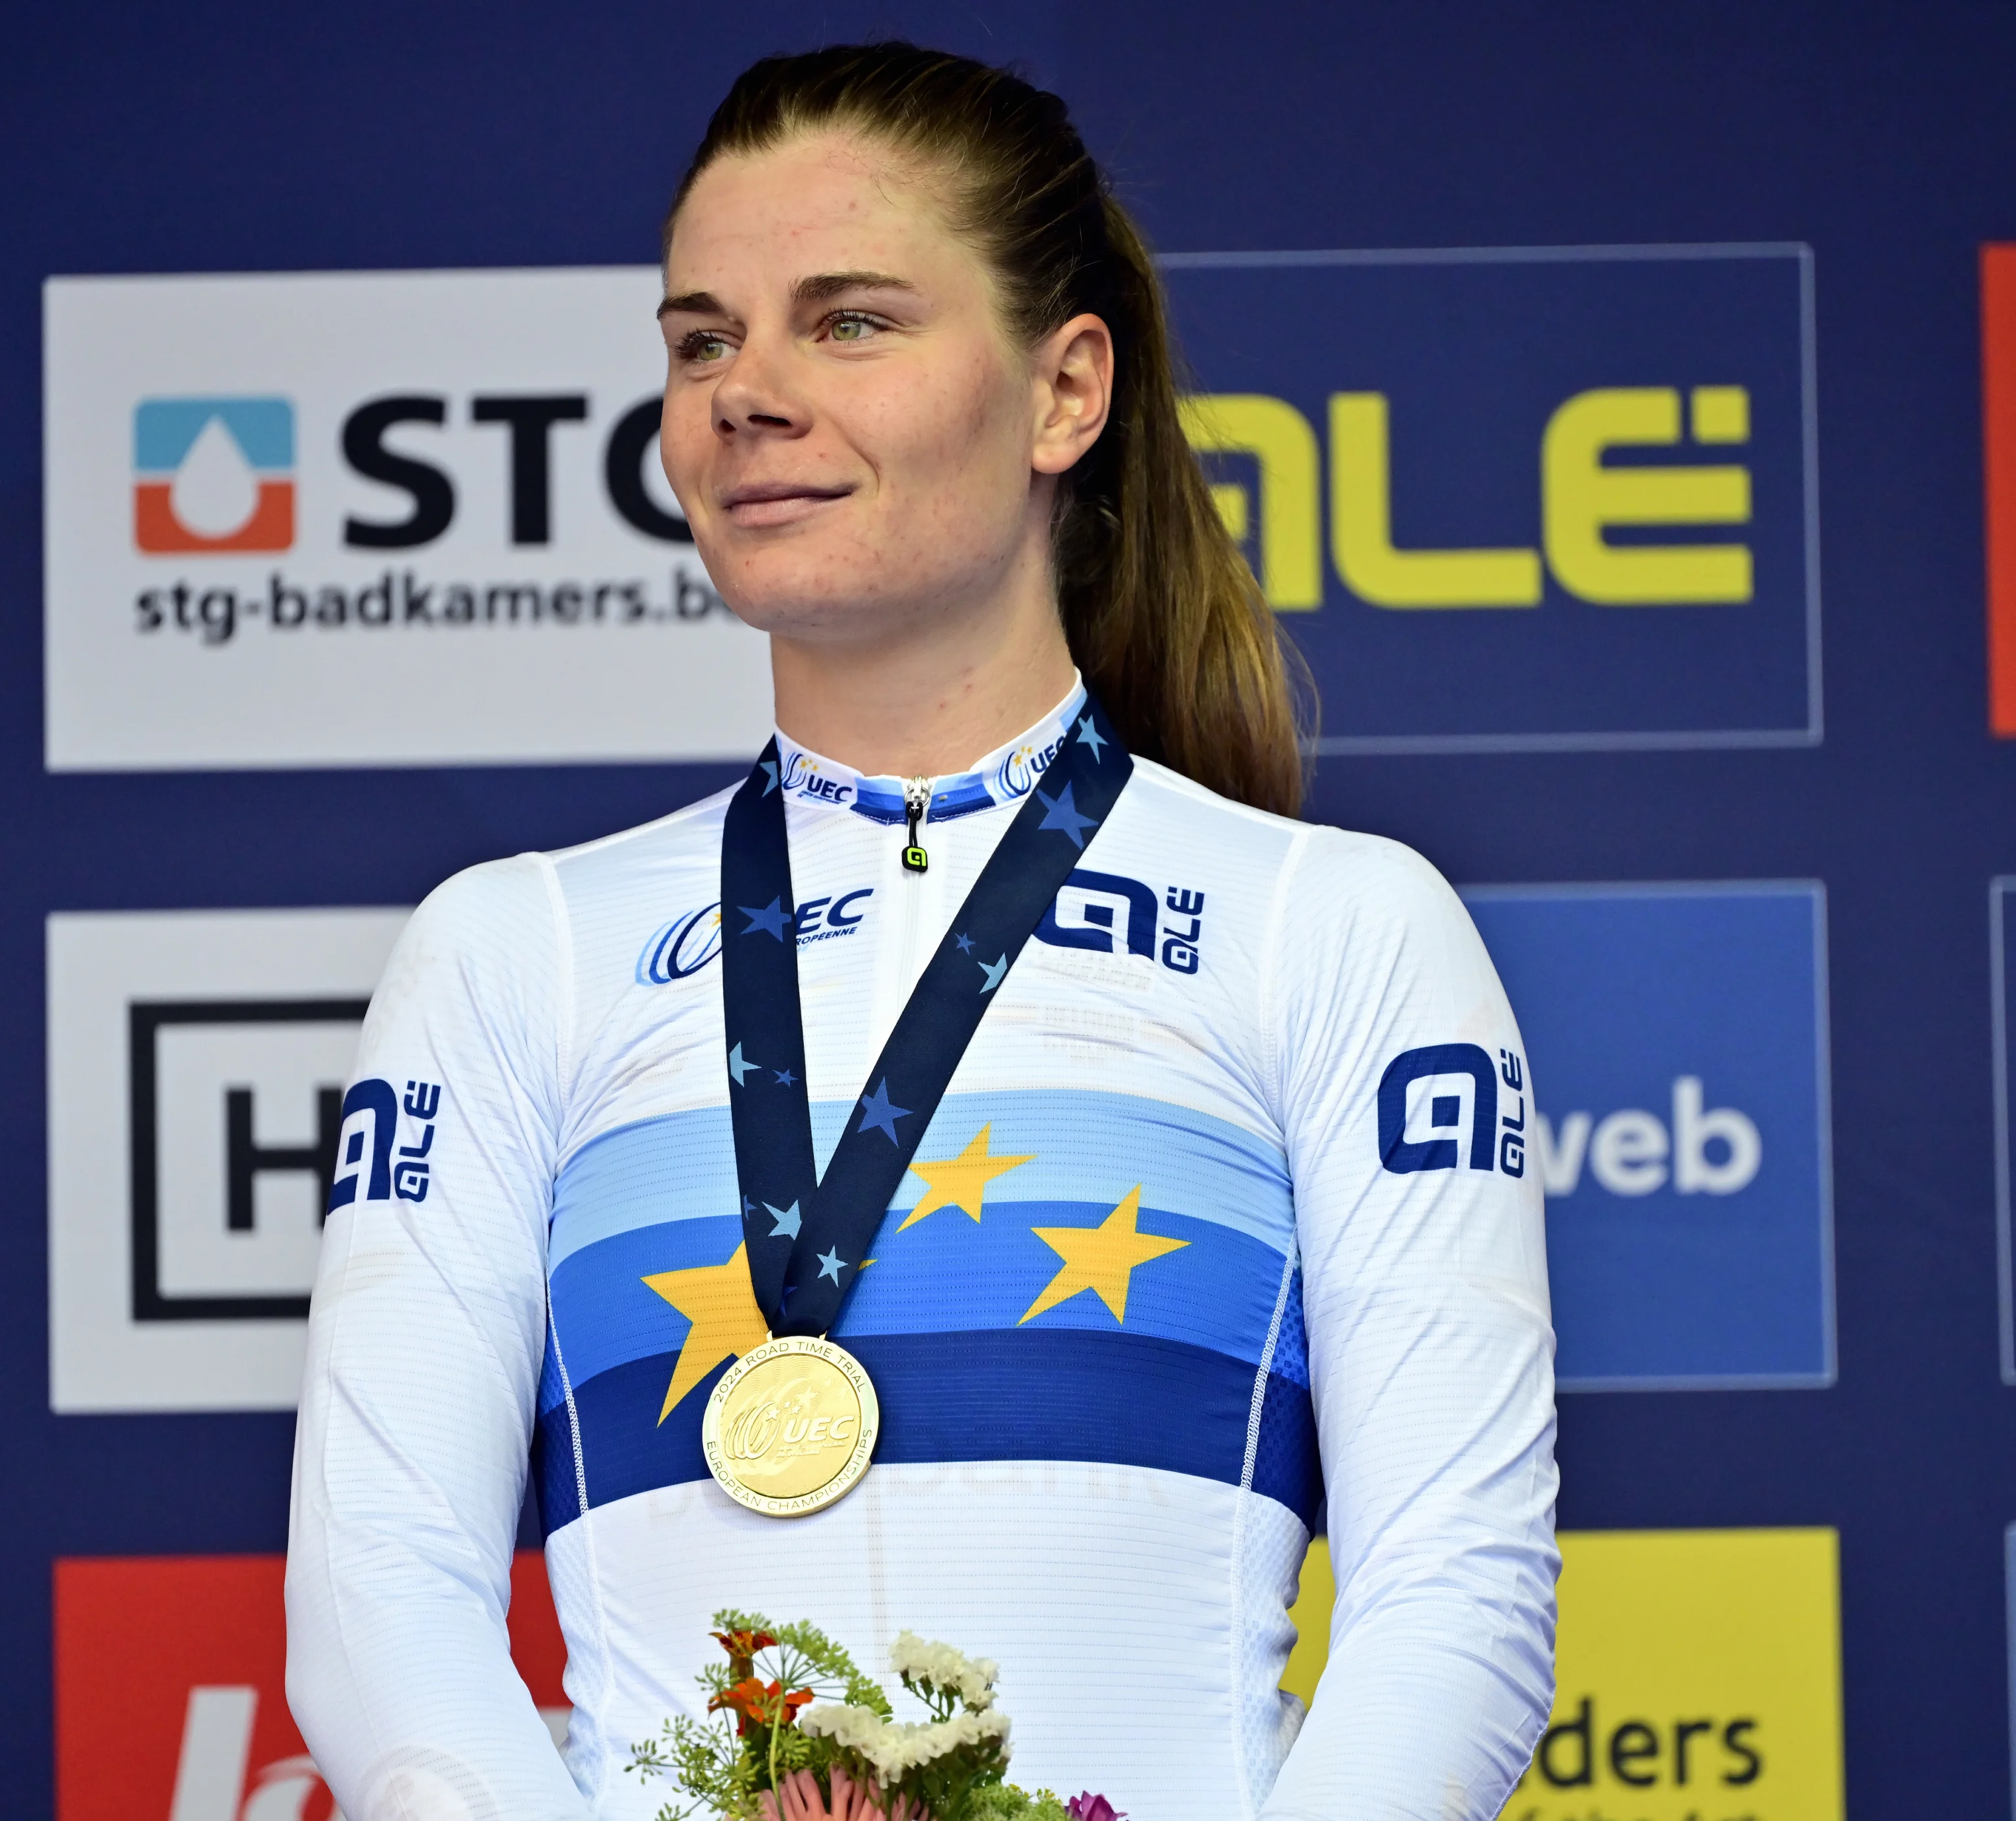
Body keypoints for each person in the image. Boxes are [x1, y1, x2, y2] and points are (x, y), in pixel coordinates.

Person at [287, 42, 1556, 1821]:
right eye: (704, 337)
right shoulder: (515, 954)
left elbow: (1457, 1613)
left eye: (851, 320)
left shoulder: (1334, 930)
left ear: (1065, 392)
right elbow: (380, 1604)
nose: (749, 392)